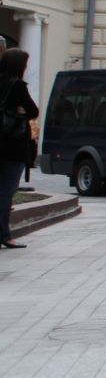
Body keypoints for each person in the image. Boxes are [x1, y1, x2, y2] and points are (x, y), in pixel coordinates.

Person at [0, 47, 39, 249]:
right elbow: (33, 110)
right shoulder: (17, 86)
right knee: (6, 191)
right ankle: (4, 235)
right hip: (12, 145)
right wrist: (20, 113)